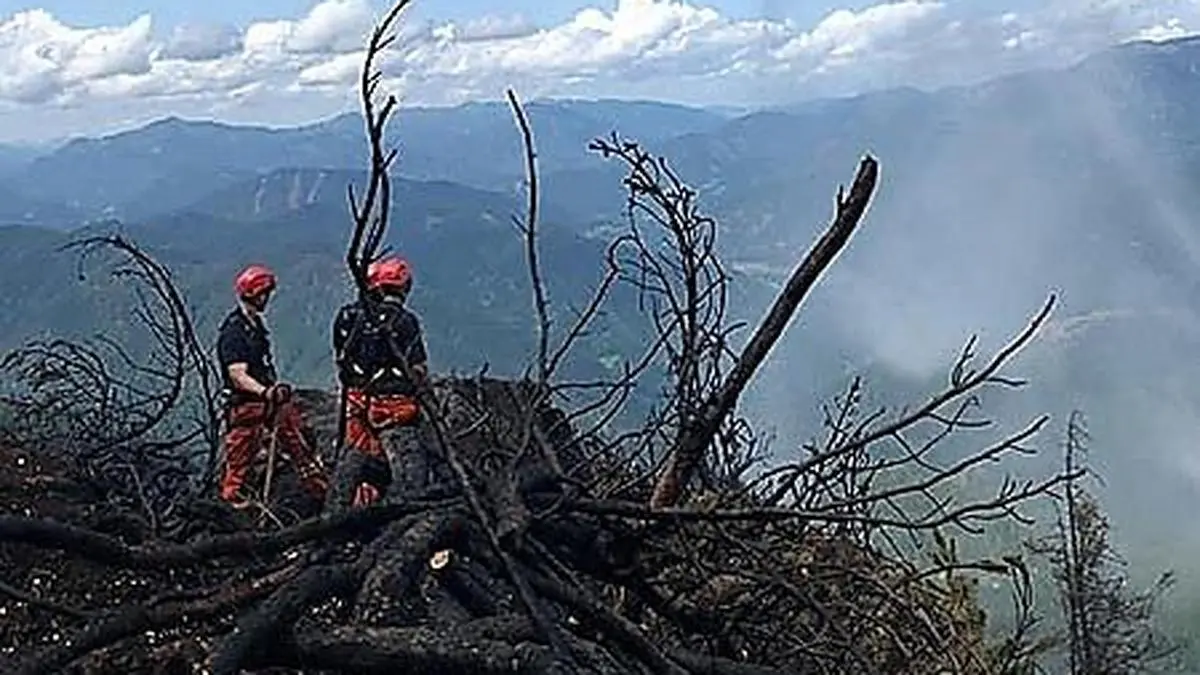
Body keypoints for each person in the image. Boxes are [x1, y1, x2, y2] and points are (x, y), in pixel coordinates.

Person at [216, 263, 329, 507]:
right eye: (264, 293)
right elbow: (237, 375)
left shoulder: (254, 325)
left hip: (267, 404)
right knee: (238, 468)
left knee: (299, 441)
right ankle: (230, 510)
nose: (267, 298)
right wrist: (265, 391)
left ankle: (320, 491)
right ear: (255, 294)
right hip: (248, 406)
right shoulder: (235, 331)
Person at [331, 256, 429, 508]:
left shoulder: (348, 317)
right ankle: (397, 515)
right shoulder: (405, 321)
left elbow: (343, 360)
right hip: (395, 405)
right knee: (410, 473)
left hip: (357, 402)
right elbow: (418, 368)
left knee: (354, 461)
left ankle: (343, 512)